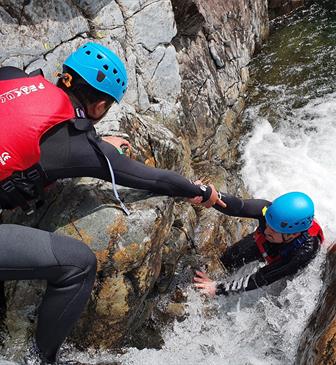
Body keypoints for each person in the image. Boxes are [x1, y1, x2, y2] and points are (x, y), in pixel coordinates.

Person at [0, 42, 224, 363]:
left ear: (65, 76)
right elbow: (154, 179)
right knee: (79, 265)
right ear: (99, 106)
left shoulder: (12, 77)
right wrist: (200, 191)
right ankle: (41, 359)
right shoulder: (78, 148)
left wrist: (94, 143)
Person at [194, 191, 324, 296]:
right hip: (274, 245)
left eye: (273, 229)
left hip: (288, 258)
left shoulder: (304, 252)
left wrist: (217, 289)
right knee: (229, 258)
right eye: (267, 223)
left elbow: (261, 278)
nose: (266, 231)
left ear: (293, 234)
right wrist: (206, 194)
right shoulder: (269, 212)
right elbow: (237, 207)